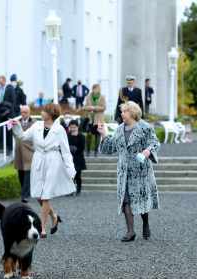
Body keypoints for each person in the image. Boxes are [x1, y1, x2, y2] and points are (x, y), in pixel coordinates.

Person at [10, 104, 76, 238]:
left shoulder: (59, 130)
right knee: (38, 195)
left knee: (46, 195)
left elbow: (66, 151)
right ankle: (54, 216)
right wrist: (16, 126)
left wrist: (71, 170)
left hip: (53, 161)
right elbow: (22, 137)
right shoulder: (36, 126)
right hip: (38, 160)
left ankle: (42, 227)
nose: (41, 112)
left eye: (44, 111)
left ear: (51, 114)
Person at [97, 101, 159, 242]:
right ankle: (130, 231)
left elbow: (155, 142)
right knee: (126, 201)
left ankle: (145, 223)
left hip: (140, 171)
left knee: (141, 199)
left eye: (124, 111)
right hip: (124, 172)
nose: (122, 114)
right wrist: (104, 134)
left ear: (132, 113)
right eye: (122, 111)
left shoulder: (145, 127)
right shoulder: (119, 129)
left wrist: (148, 151)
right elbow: (110, 148)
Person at [13, 105, 35, 203]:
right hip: (19, 151)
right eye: (22, 112)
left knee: (27, 173)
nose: (23, 114)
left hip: (29, 150)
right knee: (20, 173)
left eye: (25, 112)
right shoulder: (17, 122)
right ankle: (24, 191)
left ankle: (25, 195)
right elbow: (13, 133)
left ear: (29, 113)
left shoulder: (34, 123)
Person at [0, 75, 16, 152]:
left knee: (9, 130)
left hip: (8, 114)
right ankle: (0, 147)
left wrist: (9, 110)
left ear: (4, 80)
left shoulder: (10, 89)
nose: (0, 82)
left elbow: (13, 101)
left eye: (1, 81)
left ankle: (10, 148)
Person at [83, 84, 106, 156]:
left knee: (98, 135)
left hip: (98, 120)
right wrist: (90, 108)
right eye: (95, 89)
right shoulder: (88, 97)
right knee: (89, 135)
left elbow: (104, 108)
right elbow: (85, 107)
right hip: (90, 119)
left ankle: (96, 151)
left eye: (98, 89)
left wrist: (94, 108)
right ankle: (87, 151)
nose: (96, 90)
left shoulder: (102, 97)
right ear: (92, 89)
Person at [67, 120, 86, 195]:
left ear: (77, 127)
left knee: (78, 175)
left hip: (78, 158)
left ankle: (78, 189)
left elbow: (82, 147)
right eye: (71, 127)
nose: (73, 129)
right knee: (70, 175)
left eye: (74, 127)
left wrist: (75, 150)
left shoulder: (81, 136)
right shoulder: (67, 135)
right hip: (69, 158)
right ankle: (70, 190)